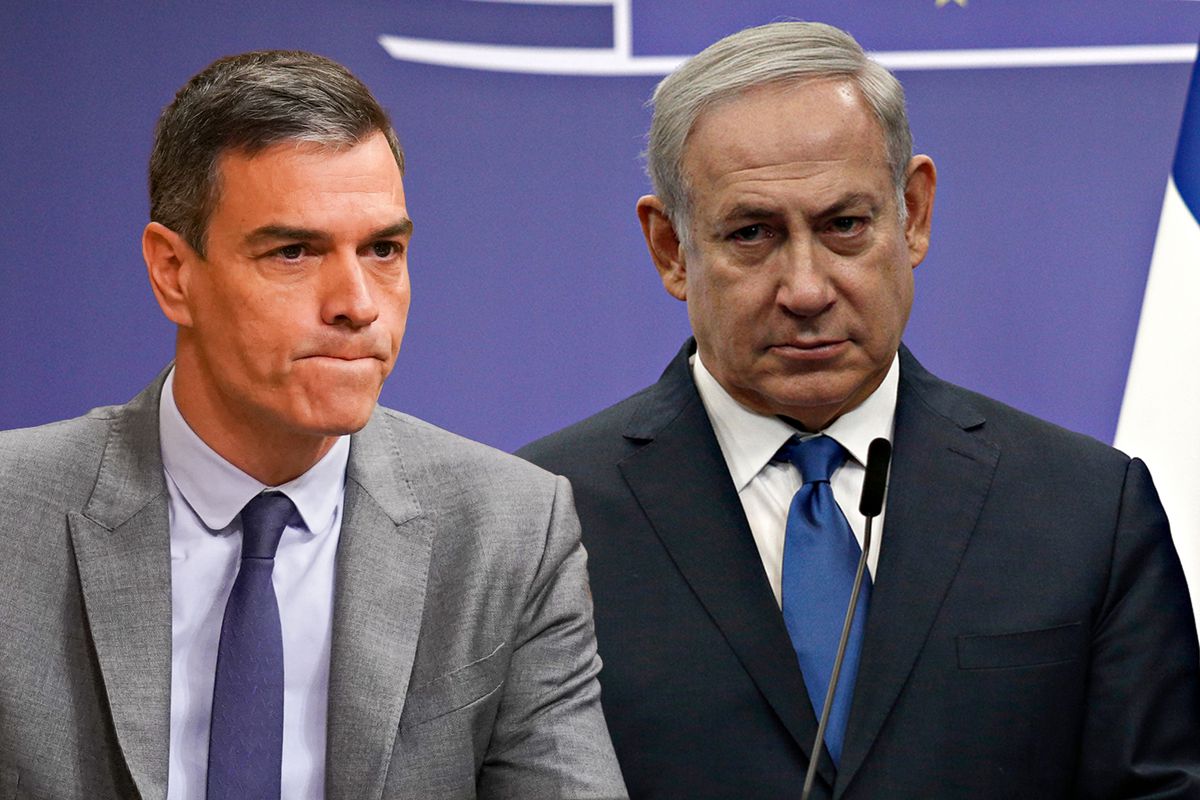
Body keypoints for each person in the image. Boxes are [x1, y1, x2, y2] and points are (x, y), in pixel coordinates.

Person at [518, 21, 1200, 799]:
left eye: (844, 225)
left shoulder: (1086, 510)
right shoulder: (541, 523)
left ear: (913, 213)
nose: (807, 289)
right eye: (752, 233)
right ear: (671, 248)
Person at [0, 50, 625, 800]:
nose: (357, 304)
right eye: (293, 252)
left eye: (383, 250)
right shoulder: (12, 515)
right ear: (173, 272)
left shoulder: (509, 531)